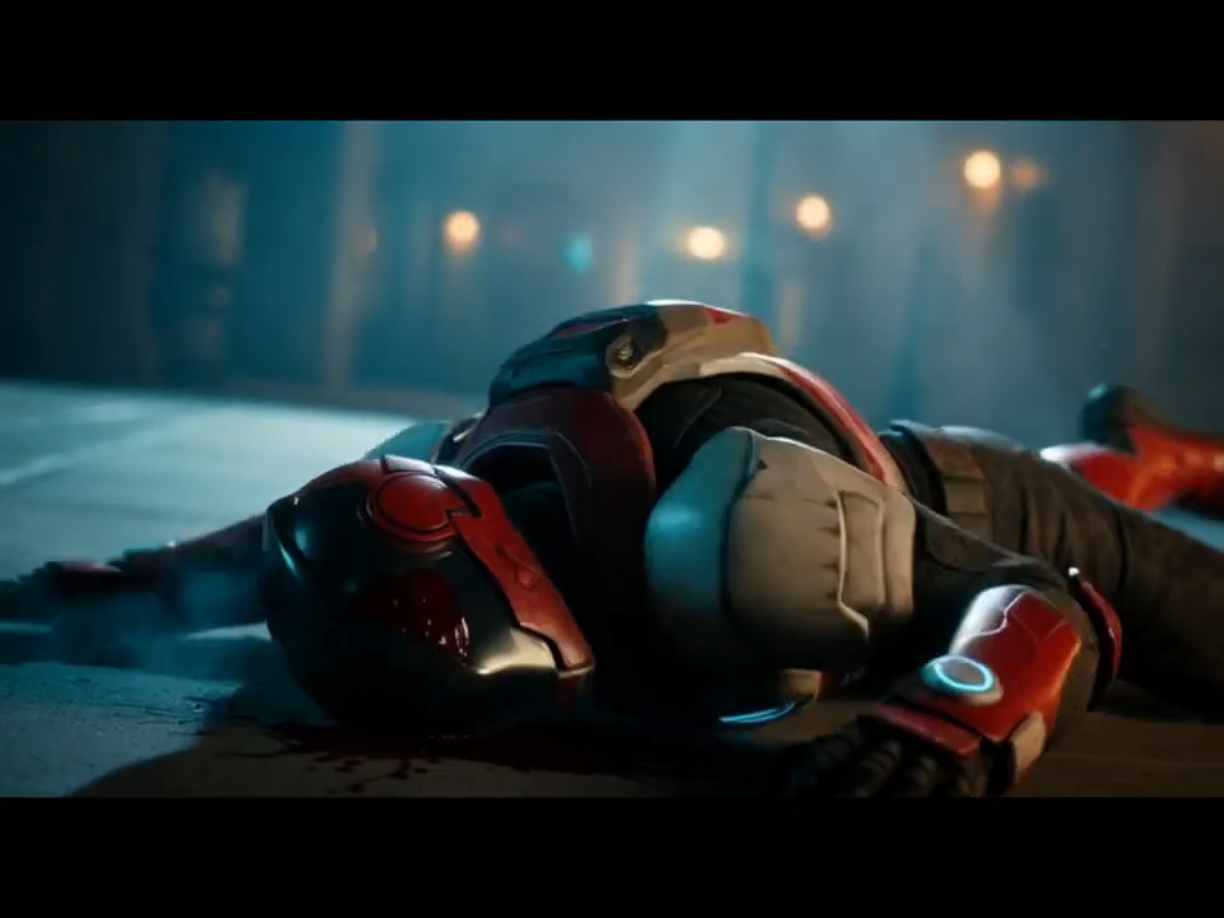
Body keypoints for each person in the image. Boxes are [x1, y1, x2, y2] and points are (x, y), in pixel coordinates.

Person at [5, 300, 1224, 798]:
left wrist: (951, 727)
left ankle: (1151, 460)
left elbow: (1048, 599)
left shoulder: (747, 516)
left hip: (980, 509)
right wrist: (120, 584)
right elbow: (289, 544)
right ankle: (1142, 450)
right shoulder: (443, 465)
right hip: (904, 486)